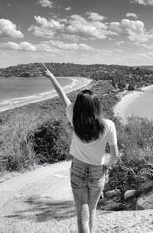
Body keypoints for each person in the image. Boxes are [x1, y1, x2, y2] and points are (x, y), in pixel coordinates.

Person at [43, 65, 119, 233]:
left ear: (78, 108)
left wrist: (52, 78)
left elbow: (62, 97)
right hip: (97, 172)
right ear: (96, 107)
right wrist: (106, 165)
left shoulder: (74, 118)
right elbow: (115, 155)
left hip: (77, 169)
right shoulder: (108, 125)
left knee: (81, 215)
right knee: (91, 211)